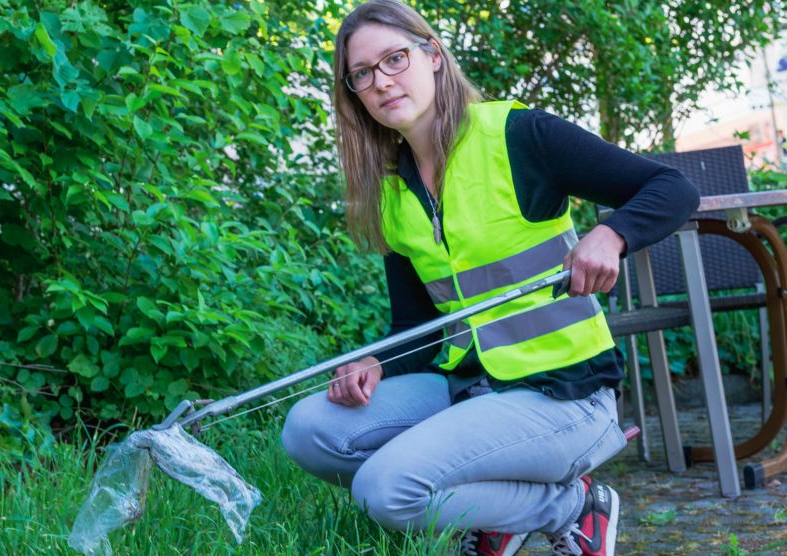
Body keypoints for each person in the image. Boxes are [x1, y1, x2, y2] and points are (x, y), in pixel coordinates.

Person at [280, 2, 699, 556]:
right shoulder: (392, 193)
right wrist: (376, 362)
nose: (381, 81)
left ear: (432, 55)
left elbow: (673, 189)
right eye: (362, 73)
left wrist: (612, 234)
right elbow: (419, 325)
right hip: (468, 391)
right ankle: (496, 510)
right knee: (308, 431)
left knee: (384, 491)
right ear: (353, 91)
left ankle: (575, 508)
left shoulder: (518, 134)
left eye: (395, 59)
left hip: (565, 396)